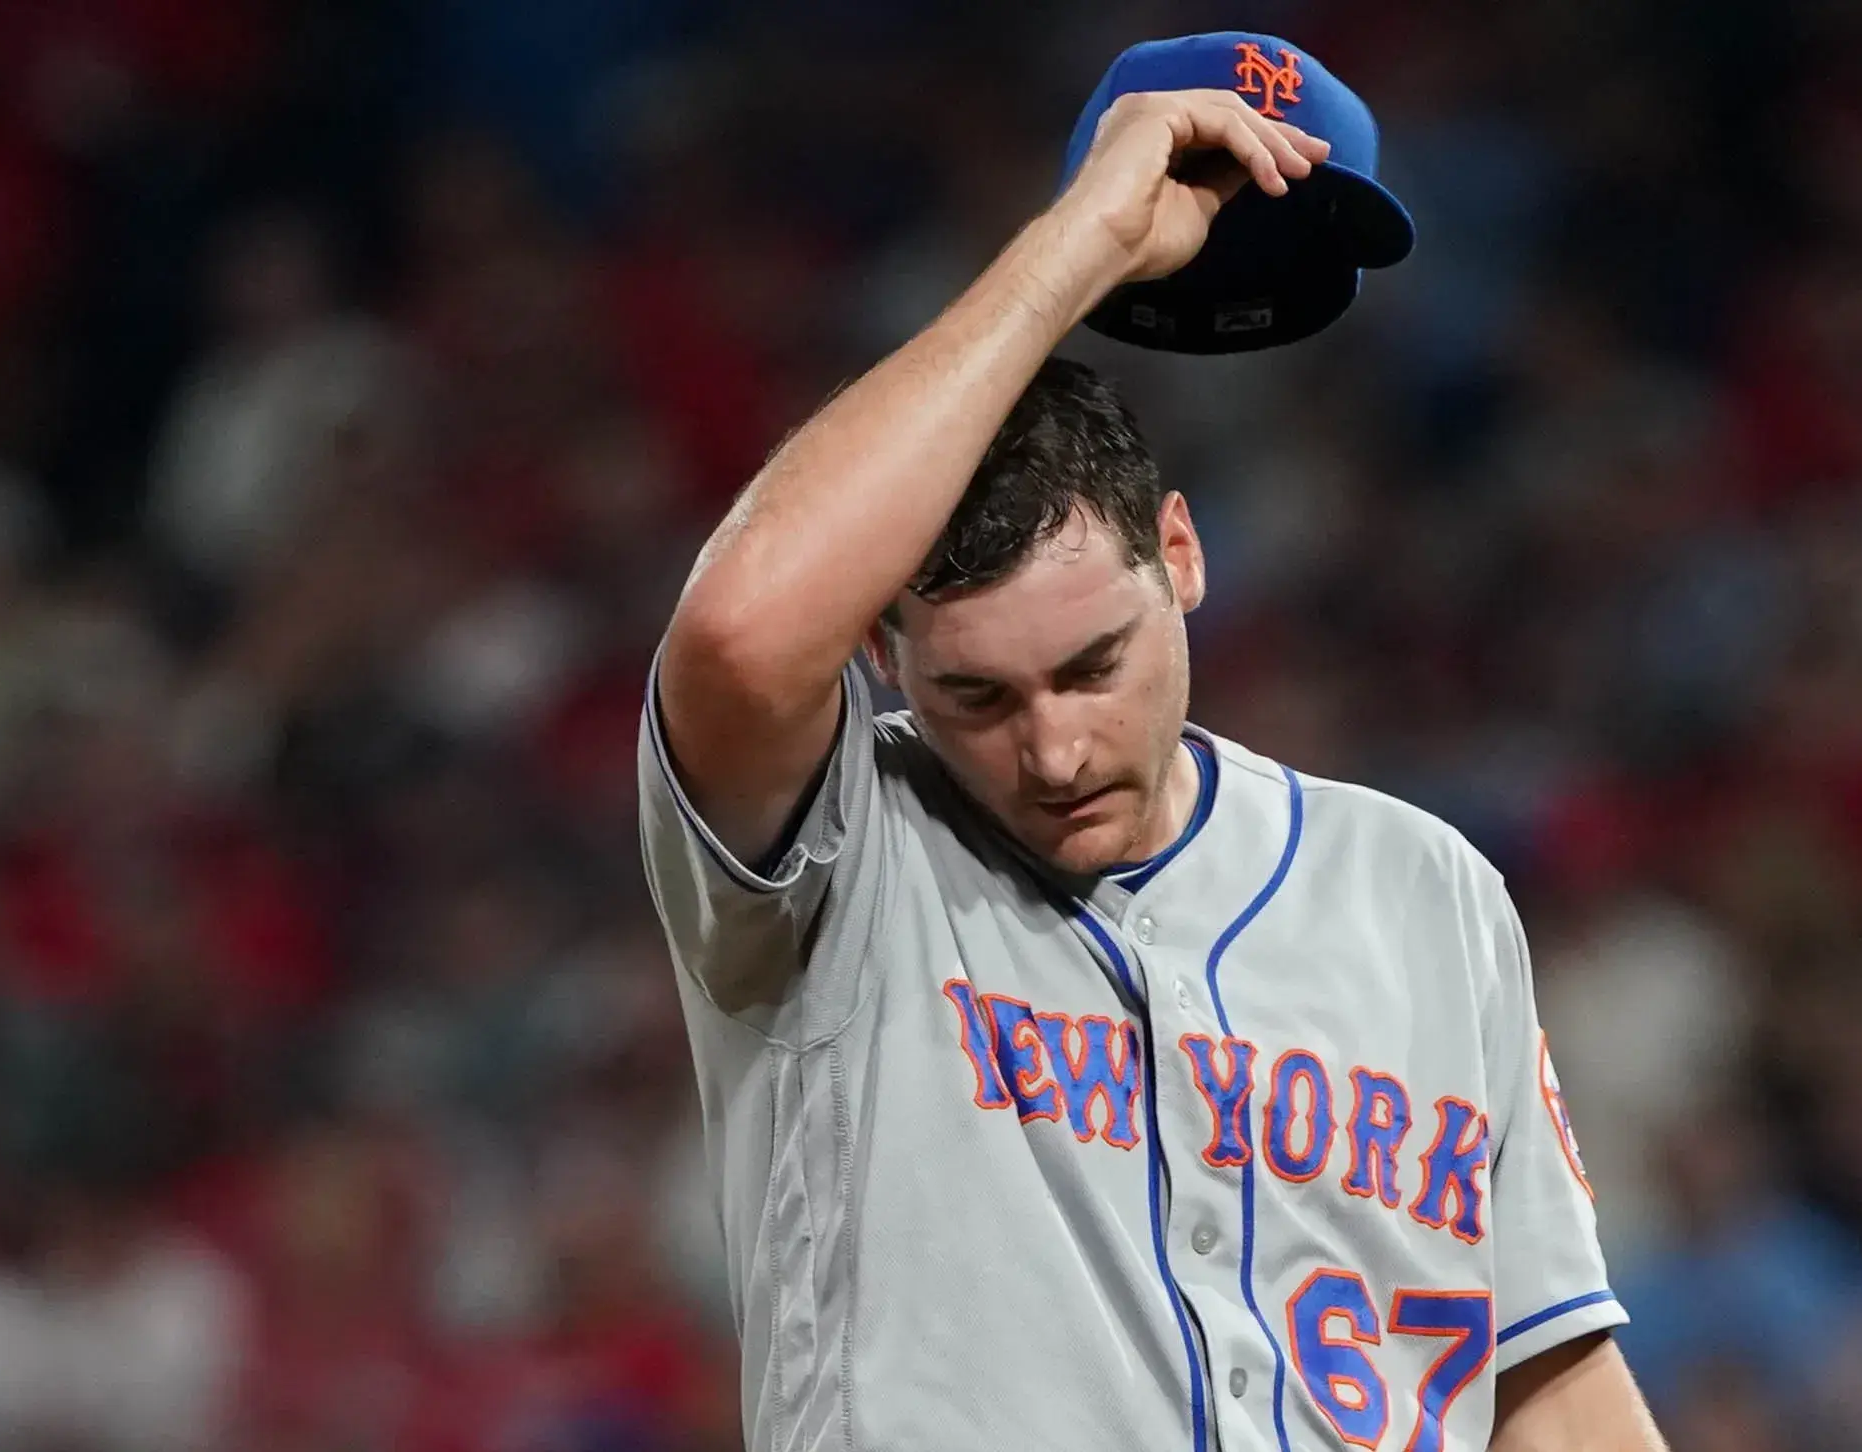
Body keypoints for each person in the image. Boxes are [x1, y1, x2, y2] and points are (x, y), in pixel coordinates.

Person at [639, 82, 1665, 1452]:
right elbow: (740, 632)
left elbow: (1546, 1383)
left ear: (1179, 557)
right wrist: (1081, 246)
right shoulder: (840, 859)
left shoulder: (1418, 887)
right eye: (976, 694)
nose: (1052, 747)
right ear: (883, 656)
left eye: (1089, 666)